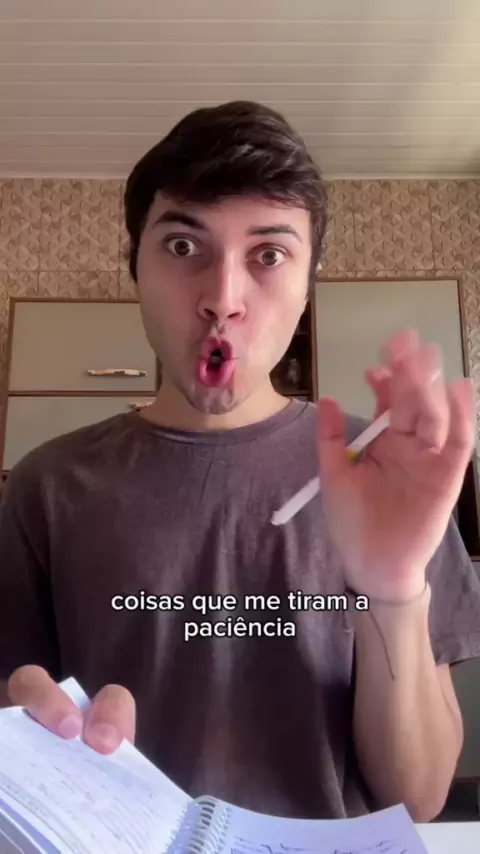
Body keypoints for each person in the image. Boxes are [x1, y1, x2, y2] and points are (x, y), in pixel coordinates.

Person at [1, 101, 480, 823]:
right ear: (134, 266)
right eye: (183, 246)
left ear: (308, 282)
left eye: (269, 255)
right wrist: (36, 746)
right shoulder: (48, 486)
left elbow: (417, 797)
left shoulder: (386, 475)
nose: (223, 300)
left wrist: (392, 589)